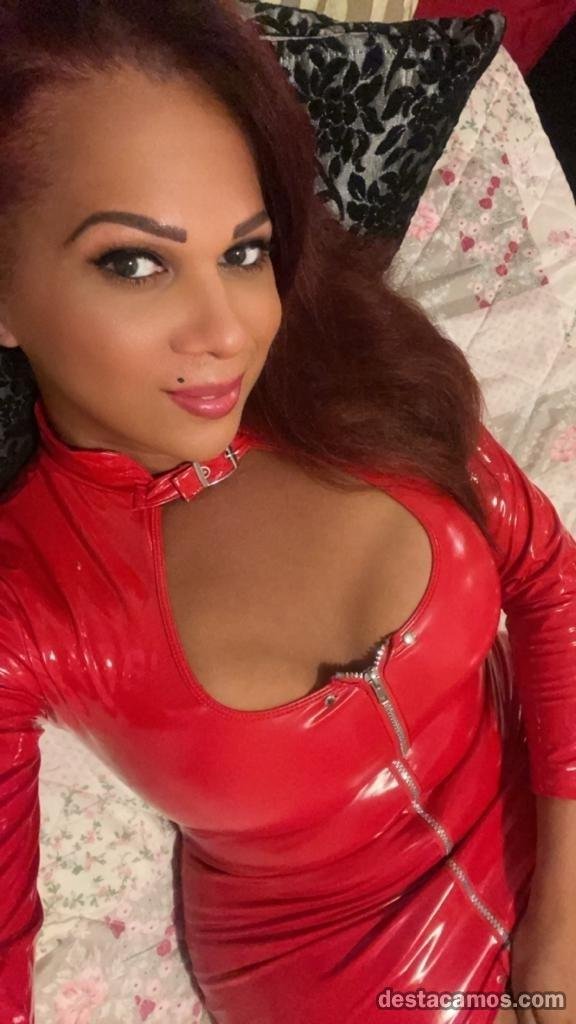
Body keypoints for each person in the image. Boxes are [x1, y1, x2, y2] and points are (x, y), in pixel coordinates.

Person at [0, 2, 575, 1023]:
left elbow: (550, 583)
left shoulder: (351, 366)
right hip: (344, 984)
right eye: (134, 262)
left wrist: (560, 936)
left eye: (244, 252)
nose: (228, 330)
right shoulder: (26, 604)